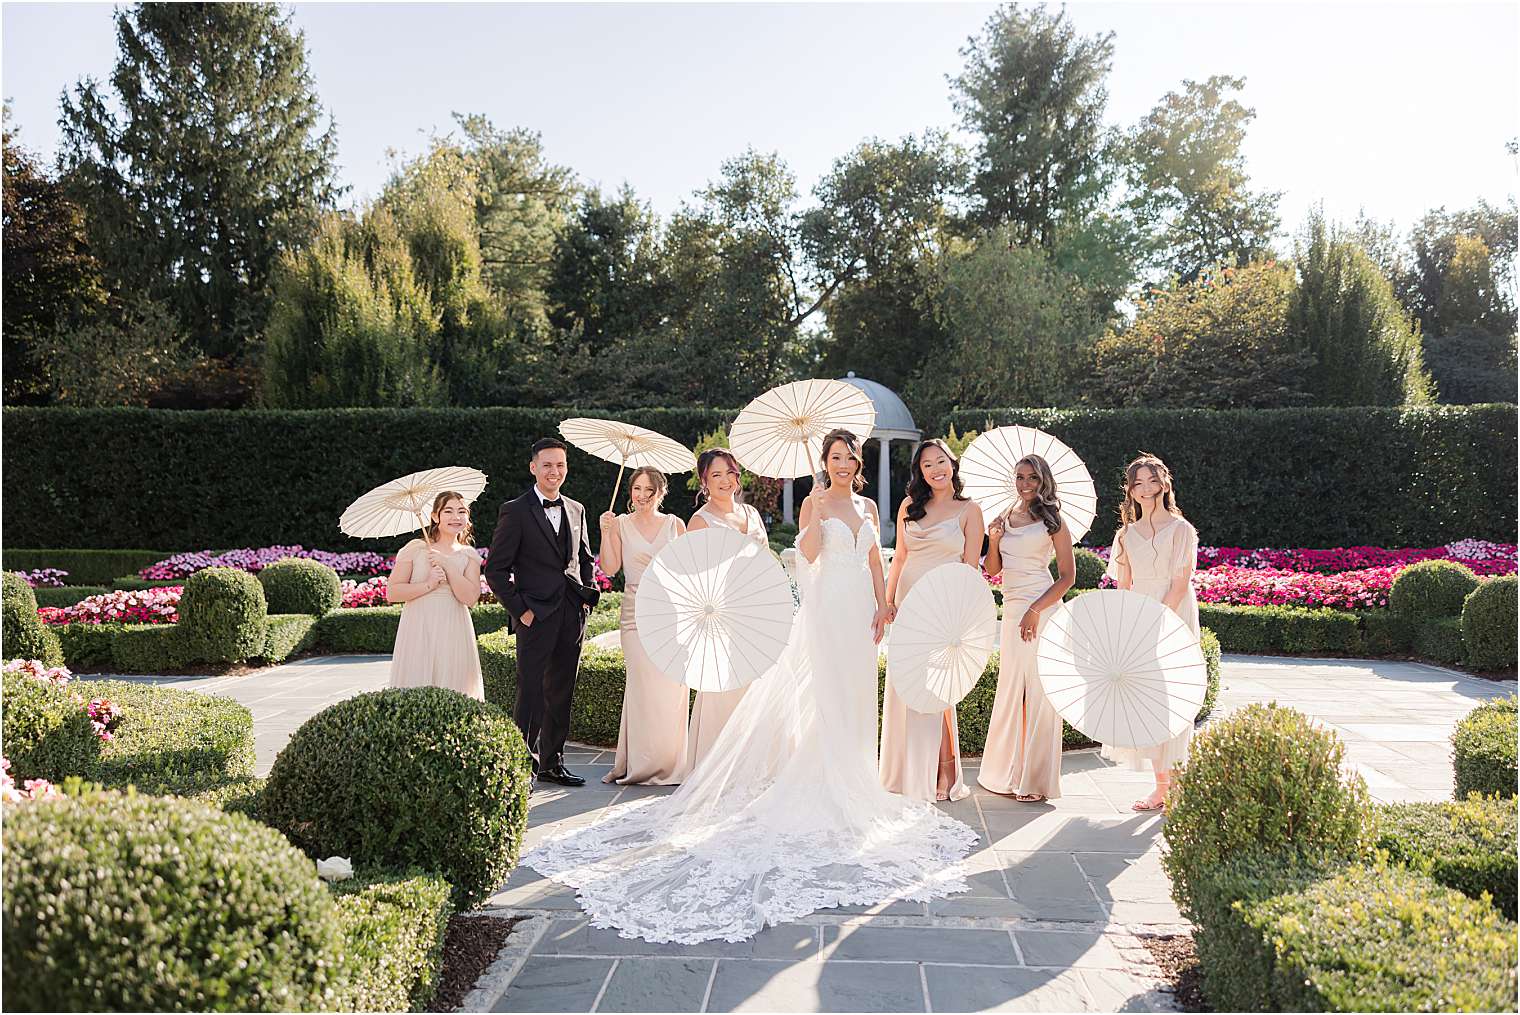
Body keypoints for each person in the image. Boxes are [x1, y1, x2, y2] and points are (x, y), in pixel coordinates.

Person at [521, 429, 977, 944]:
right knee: (827, 696)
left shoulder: (871, 507)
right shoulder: (815, 501)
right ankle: (825, 784)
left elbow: (876, 561)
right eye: (834, 458)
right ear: (824, 463)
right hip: (827, 610)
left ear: (857, 461)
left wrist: (882, 607)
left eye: (849, 457)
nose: (843, 463)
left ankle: (858, 777)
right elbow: (806, 556)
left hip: (861, 616)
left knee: (856, 698)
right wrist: (814, 512)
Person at [483, 438, 601, 787]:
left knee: (562, 690)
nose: (555, 471)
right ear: (534, 467)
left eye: (560, 465)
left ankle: (552, 762)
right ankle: (523, 767)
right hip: (535, 616)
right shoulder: (515, 510)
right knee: (531, 691)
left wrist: (586, 598)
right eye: (547, 465)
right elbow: (496, 570)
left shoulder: (577, 509)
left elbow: (584, 559)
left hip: (571, 612)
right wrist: (522, 611)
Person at [879, 438, 983, 802]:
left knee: (938, 692)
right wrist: (888, 601)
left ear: (952, 464)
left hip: (943, 607)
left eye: (941, 461)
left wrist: (962, 614)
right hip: (908, 606)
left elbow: (971, 569)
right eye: (927, 465)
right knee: (909, 685)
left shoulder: (970, 510)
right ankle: (907, 769)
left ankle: (945, 768)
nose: (936, 469)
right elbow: (901, 559)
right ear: (919, 472)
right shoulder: (911, 505)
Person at [1100, 453, 1201, 811]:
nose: (1145, 488)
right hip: (1139, 616)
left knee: (1173, 698)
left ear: (1164, 484)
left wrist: (1159, 621)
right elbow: (1124, 587)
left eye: (1152, 481)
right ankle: (1161, 787)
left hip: (1173, 615)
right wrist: (1127, 626)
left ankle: (1176, 784)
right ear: (1130, 489)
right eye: (1137, 482)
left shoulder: (1182, 530)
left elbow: (1179, 582)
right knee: (1148, 700)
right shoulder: (1125, 535)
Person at [977, 455, 1076, 802]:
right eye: (1019, 477)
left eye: (1032, 477)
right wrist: (992, 538)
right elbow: (993, 570)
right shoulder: (1003, 517)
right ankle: (1004, 773)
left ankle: (1035, 781)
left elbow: (1068, 576)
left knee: (1041, 692)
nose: (1025, 483)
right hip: (1013, 606)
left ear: (1043, 480)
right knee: (1009, 689)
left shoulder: (1053, 521)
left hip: (1043, 608)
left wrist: (1036, 610)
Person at [597, 467, 689, 785]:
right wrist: (605, 532)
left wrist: (665, 569)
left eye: (649, 490)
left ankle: (672, 762)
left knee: (670, 689)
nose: (642, 496)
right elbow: (609, 568)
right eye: (637, 489)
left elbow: (689, 572)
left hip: (671, 615)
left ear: (660, 493)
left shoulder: (675, 524)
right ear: (630, 491)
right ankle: (639, 763)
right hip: (635, 614)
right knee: (641, 687)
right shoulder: (620, 524)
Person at [681, 447, 768, 774]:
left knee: (754, 692)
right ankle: (715, 769)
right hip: (723, 616)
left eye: (729, 472)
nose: (724, 480)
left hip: (757, 613)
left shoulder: (752, 514)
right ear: (704, 480)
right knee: (724, 691)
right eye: (715, 474)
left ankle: (752, 765)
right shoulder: (700, 521)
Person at [386, 490, 484, 699]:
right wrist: (428, 584)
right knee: (416, 684)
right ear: (435, 516)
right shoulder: (415, 548)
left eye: (461, 511)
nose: (456, 517)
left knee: (454, 684)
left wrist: (448, 565)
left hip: (454, 625)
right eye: (448, 511)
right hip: (418, 625)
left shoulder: (469, 555)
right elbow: (392, 592)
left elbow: (470, 598)